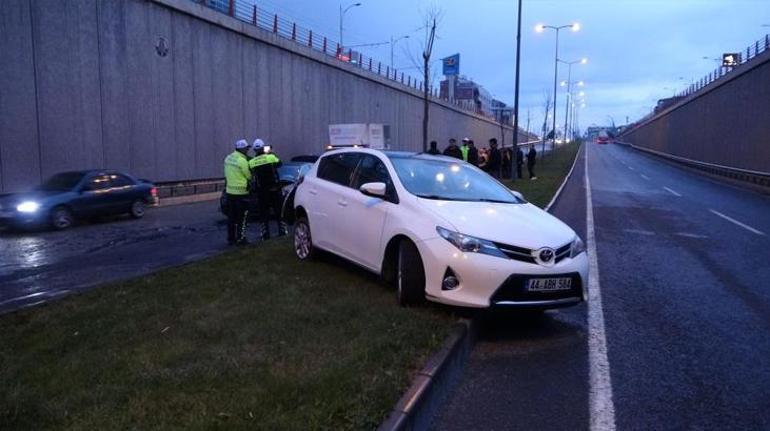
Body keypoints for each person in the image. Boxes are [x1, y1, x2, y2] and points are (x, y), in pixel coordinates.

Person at [249, 139, 286, 240]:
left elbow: (252, 173)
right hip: (274, 189)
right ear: (263, 147)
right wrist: (270, 152)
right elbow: (280, 163)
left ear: (254, 150)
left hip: (262, 191)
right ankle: (282, 231)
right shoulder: (271, 157)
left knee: (263, 214)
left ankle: (265, 234)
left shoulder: (252, 162)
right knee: (279, 211)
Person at [224, 139, 253, 245]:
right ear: (242, 149)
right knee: (243, 217)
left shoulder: (228, 158)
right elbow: (248, 175)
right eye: (247, 148)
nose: (247, 150)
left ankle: (231, 238)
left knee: (231, 217)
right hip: (241, 193)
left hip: (230, 192)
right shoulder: (242, 160)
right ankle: (241, 239)